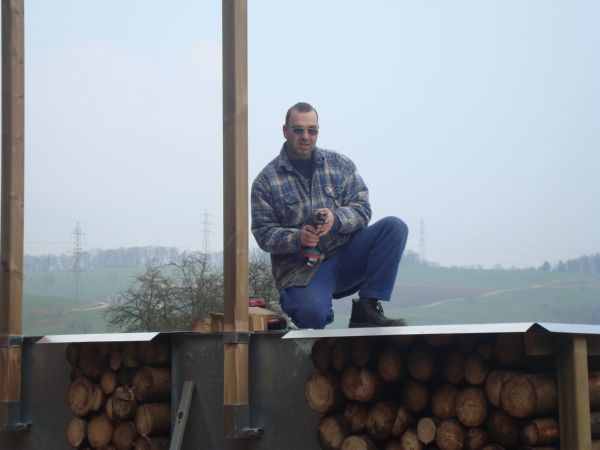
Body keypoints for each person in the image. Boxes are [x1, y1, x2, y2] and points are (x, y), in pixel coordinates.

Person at [251, 102, 409, 329]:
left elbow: (362, 208)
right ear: (285, 131)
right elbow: (263, 233)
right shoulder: (265, 181)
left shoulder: (341, 165)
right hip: (301, 270)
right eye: (298, 130)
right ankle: (307, 310)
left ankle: (367, 308)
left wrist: (336, 219)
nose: (306, 136)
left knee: (394, 227)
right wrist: (298, 237)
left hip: (347, 255)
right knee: (312, 316)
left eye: (312, 130)